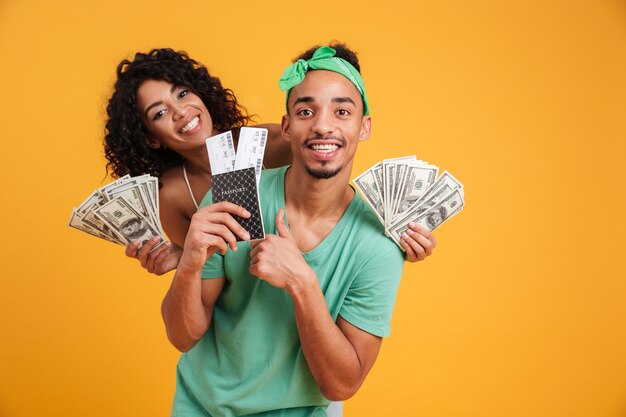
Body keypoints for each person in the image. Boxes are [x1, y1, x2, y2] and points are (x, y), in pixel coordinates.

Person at [161, 42, 416, 417]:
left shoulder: (379, 242)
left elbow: (343, 384)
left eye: (341, 111)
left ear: (364, 128)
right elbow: (182, 336)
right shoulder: (233, 194)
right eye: (306, 111)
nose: (323, 126)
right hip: (203, 407)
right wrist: (191, 262)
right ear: (286, 127)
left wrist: (302, 281)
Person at [103, 48, 435, 276]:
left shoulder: (274, 142)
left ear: (200, 93)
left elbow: (333, 201)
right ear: (150, 137)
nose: (180, 112)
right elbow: (207, 280)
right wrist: (181, 259)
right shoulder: (173, 195)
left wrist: (393, 239)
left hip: (318, 285)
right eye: (159, 113)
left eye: (182, 93)